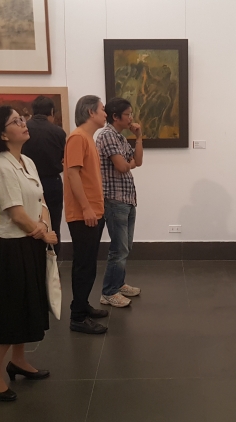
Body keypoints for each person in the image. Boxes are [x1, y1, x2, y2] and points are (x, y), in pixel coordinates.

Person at [0, 105, 57, 401]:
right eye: (15, 121)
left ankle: (19, 360)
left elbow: (40, 200)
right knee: (14, 310)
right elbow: (15, 214)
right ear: (3, 134)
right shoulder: (1, 167)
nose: (23, 123)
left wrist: (44, 225)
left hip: (31, 242)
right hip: (12, 247)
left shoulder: (27, 160)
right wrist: (42, 232)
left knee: (28, 306)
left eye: (21, 119)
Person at [64, 95, 110, 334]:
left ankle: (81, 305)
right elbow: (72, 174)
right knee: (84, 265)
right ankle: (78, 317)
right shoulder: (77, 137)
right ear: (91, 112)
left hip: (93, 211)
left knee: (89, 264)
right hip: (84, 214)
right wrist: (85, 207)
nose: (105, 113)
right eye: (102, 109)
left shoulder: (87, 139)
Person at [95, 97, 144, 308]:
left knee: (125, 246)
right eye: (128, 114)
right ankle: (108, 292)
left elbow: (137, 162)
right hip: (114, 199)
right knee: (119, 248)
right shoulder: (107, 135)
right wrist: (127, 163)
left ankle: (118, 283)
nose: (131, 118)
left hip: (127, 197)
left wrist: (139, 138)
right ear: (115, 116)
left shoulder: (121, 138)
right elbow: (122, 167)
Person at [22, 96, 66, 256]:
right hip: (52, 182)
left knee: (29, 223)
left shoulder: (24, 129)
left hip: (27, 181)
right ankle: (53, 260)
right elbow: (62, 158)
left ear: (33, 111)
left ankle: (33, 260)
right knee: (53, 224)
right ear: (52, 112)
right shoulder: (58, 132)